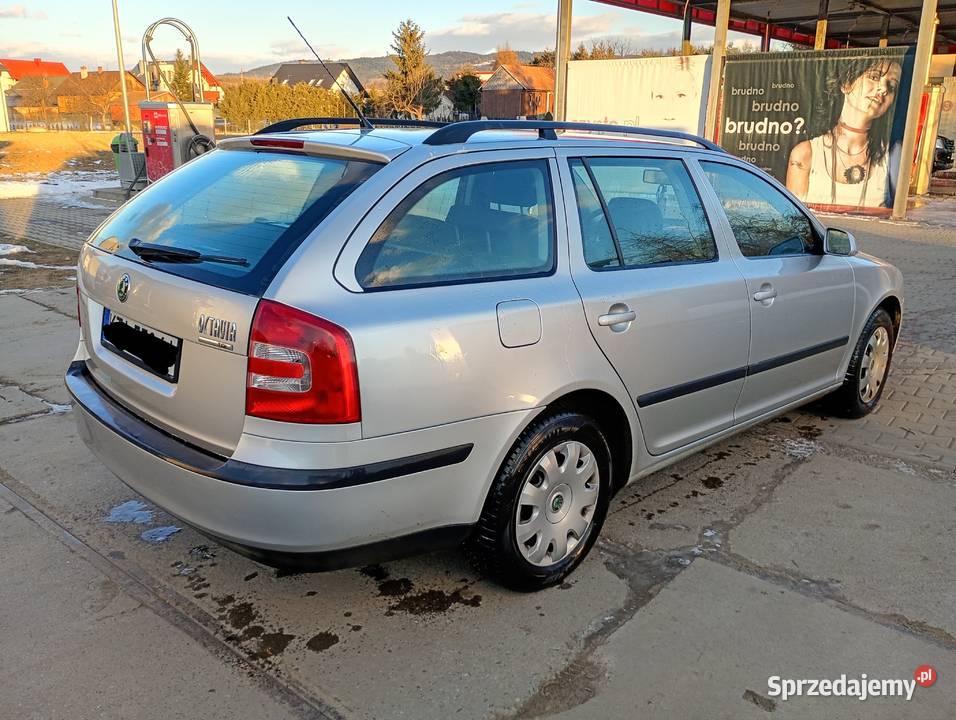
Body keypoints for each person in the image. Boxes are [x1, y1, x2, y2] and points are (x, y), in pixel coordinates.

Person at [786, 59, 902, 208]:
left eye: (892, 86)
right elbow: (795, 217)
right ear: (846, 84)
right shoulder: (805, 153)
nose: (883, 89)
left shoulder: (893, 154)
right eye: (874, 77)